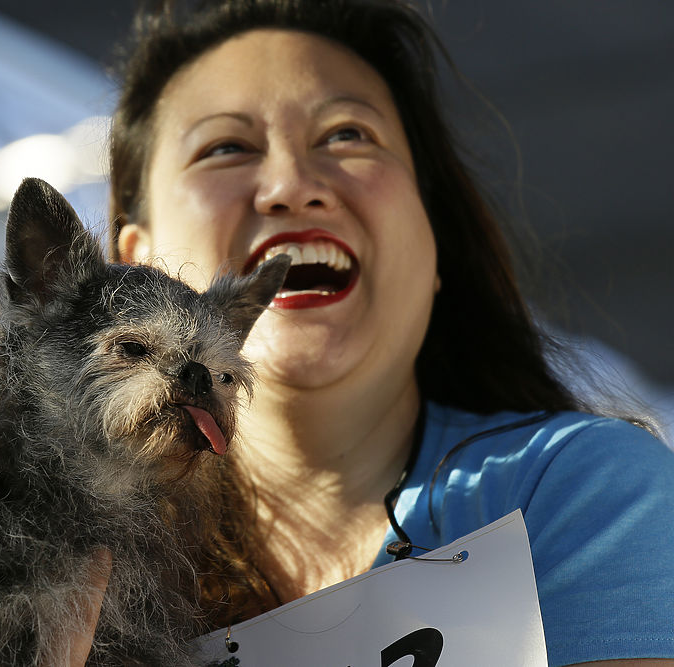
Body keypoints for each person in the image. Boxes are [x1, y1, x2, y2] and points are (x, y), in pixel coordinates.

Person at [76, 1, 674, 665]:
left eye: (347, 135)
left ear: (435, 238)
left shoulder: (581, 490)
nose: (290, 185)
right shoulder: (59, 556)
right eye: (226, 148)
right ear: (135, 266)